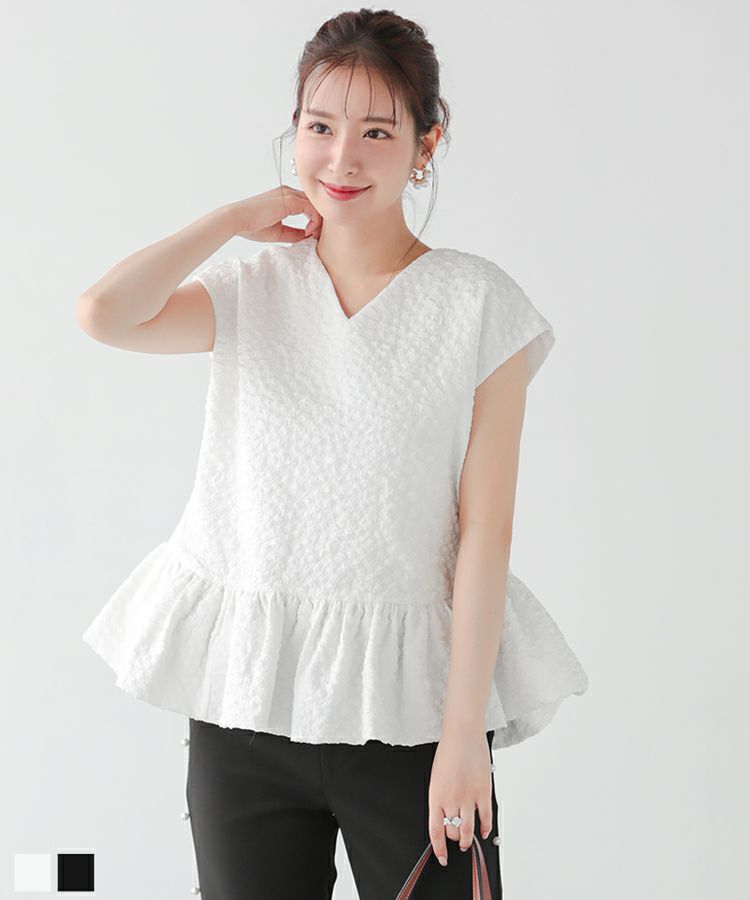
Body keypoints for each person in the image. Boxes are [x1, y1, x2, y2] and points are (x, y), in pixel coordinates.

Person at [78, 9, 589, 899]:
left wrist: (463, 739)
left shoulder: (477, 305)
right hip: (247, 711)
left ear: (427, 143)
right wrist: (233, 218)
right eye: (319, 127)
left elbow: (486, 532)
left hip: (411, 715)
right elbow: (104, 315)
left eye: (377, 132)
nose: (342, 158)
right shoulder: (254, 287)